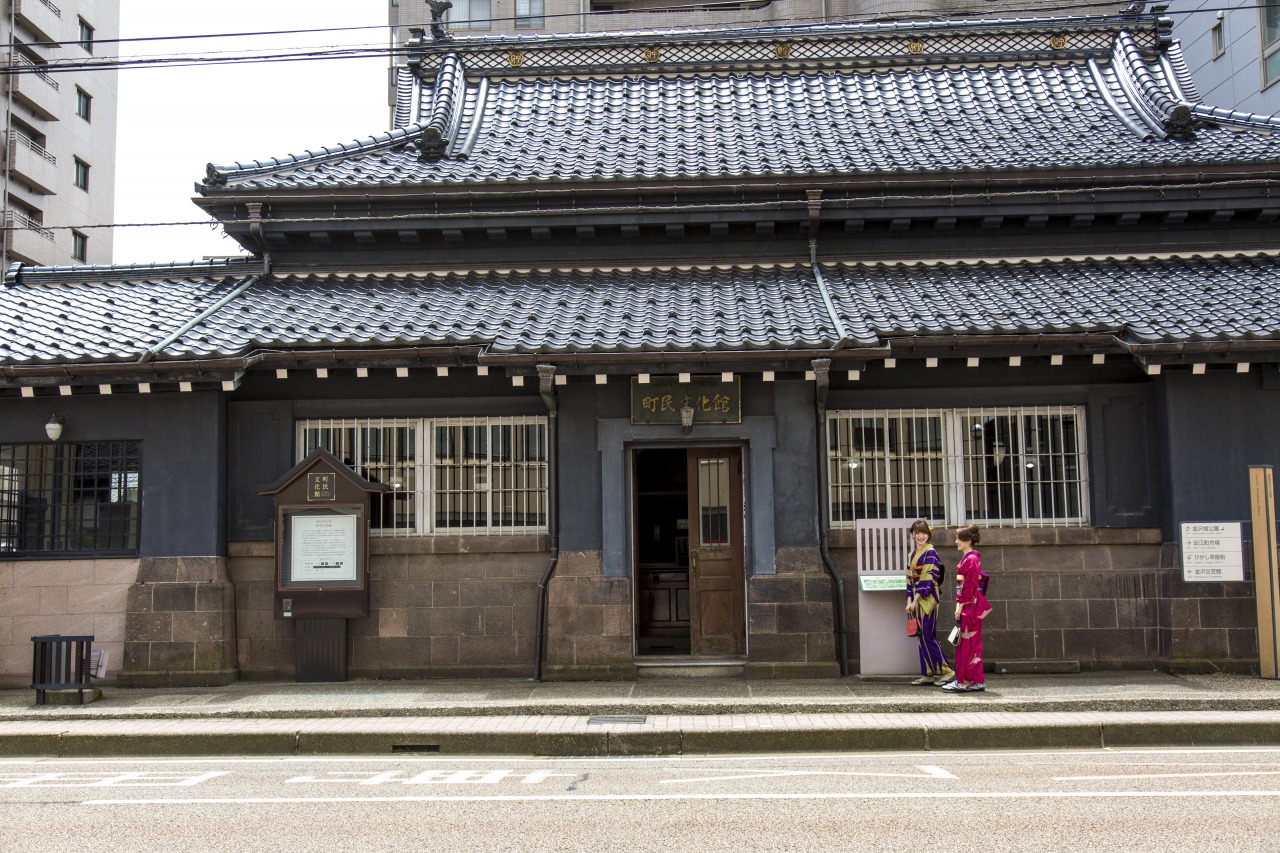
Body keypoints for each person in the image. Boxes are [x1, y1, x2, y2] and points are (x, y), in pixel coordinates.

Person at [941, 525, 992, 693]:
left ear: (968, 540)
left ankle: (964, 681)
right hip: (971, 605)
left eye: (959, 539)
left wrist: (960, 605)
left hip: (969, 606)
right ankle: (976, 680)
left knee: (967, 646)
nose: (956, 542)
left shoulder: (970, 559)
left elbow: (968, 586)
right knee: (971, 645)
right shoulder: (971, 558)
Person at [903, 520, 955, 686]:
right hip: (916, 598)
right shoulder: (911, 555)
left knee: (927, 634)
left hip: (928, 597)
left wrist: (914, 600)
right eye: (917, 533)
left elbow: (927, 578)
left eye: (924, 533)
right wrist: (909, 600)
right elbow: (909, 579)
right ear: (912, 535)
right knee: (921, 636)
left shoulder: (931, 553)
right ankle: (928, 673)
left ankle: (947, 671)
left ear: (929, 534)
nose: (921, 536)